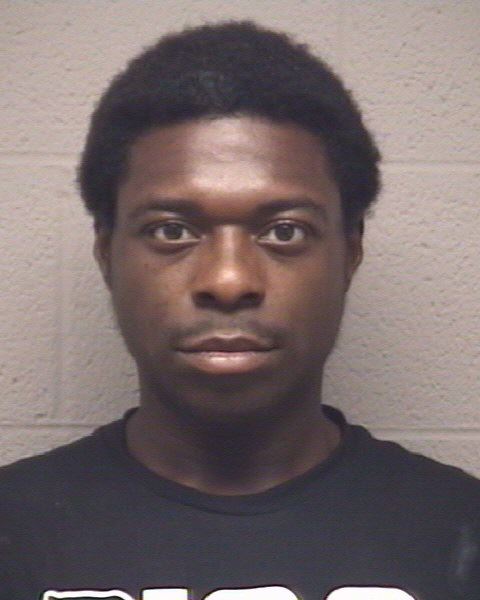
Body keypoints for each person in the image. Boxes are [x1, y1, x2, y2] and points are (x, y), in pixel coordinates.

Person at [0, 20, 478, 600]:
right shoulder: (15, 533)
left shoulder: (458, 531)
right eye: (171, 230)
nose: (228, 281)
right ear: (107, 254)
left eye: (284, 231)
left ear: (349, 254)